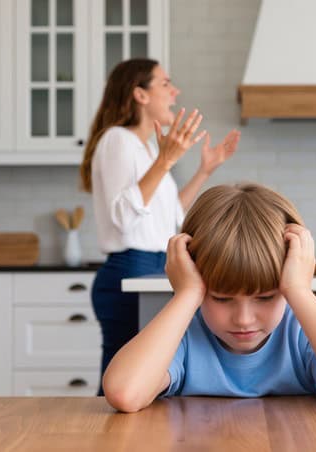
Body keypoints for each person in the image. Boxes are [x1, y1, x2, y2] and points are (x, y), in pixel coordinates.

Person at [102, 183, 316, 412]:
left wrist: (300, 290)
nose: (243, 319)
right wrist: (186, 294)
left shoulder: (302, 332)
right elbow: (124, 393)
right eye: (222, 299)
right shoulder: (182, 336)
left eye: (265, 297)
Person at [79, 58, 240, 396]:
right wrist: (166, 160)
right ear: (139, 94)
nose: (175, 91)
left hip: (154, 266)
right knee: (124, 377)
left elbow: (167, 215)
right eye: (165, 83)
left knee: (146, 371)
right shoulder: (117, 141)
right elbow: (123, 216)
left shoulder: (147, 148)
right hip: (130, 268)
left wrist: (204, 171)